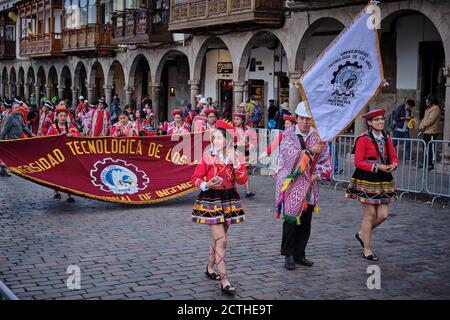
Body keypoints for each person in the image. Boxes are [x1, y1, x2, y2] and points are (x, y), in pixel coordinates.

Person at [191, 119, 248, 295]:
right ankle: (224, 280)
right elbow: (195, 179)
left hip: (229, 199)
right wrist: (206, 183)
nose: (216, 141)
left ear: (227, 139)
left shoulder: (235, 156)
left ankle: (209, 267)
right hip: (211, 199)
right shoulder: (208, 157)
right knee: (222, 240)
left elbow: (242, 180)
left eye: (219, 138)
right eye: (213, 138)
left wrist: (236, 163)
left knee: (218, 238)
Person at [276, 102, 332, 270]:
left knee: (306, 221)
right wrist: (308, 151)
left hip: (310, 183)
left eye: (308, 119)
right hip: (292, 182)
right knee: (291, 219)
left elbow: (326, 160)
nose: (305, 122)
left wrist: (318, 174)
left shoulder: (319, 137)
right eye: (301, 118)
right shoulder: (289, 134)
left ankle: (300, 253)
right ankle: (288, 254)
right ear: (296, 119)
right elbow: (287, 156)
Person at [346, 109, 399, 261]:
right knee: (370, 215)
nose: (380, 122)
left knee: (383, 215)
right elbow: (358, 162)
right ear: (369, 123)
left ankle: (362, 234)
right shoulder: (363, 139)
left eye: (382, 119)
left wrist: (393, 165)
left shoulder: (387, 137)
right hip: (367, 178)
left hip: (384, 179)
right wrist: (377, 167)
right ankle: (367, 249)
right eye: (376, 120)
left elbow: (394, 156)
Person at [47, 108, 81, 203]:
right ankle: (56, 191)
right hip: (56, 155)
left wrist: (72, 135)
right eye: (61, 116)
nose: (63, 118)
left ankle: (69, 194)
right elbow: (47, 139)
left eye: (65, 116)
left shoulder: (70, 127)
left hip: (68, 154)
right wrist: (59, 136)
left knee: (68, 174)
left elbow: (79, 136)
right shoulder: (53, 127)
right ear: (57, 117)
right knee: (56, 174)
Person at [233, 112, 257, 198]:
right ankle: (232, 190)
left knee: (245, 171)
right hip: (234, 152)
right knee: (233, 171)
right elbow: (228, 142)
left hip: (244, 152)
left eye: (237, 119)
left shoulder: (247, 129)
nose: (235, 121)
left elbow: (254, 140)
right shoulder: (231, 129)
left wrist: (249, 147)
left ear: (242, 121)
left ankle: (248, 191)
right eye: (235, 119)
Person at [419, 94, 441, 171]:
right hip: (426, 132)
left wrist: (422, 126)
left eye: (427, 99)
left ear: (431, 100)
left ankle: (429, 164)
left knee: (429, 149)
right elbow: (424, 119)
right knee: (425, 148)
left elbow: (430, 120)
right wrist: (421, 125)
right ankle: (425, 164)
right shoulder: (428, 108)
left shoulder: (435, 108)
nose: (426, 101)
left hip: (431, 132)